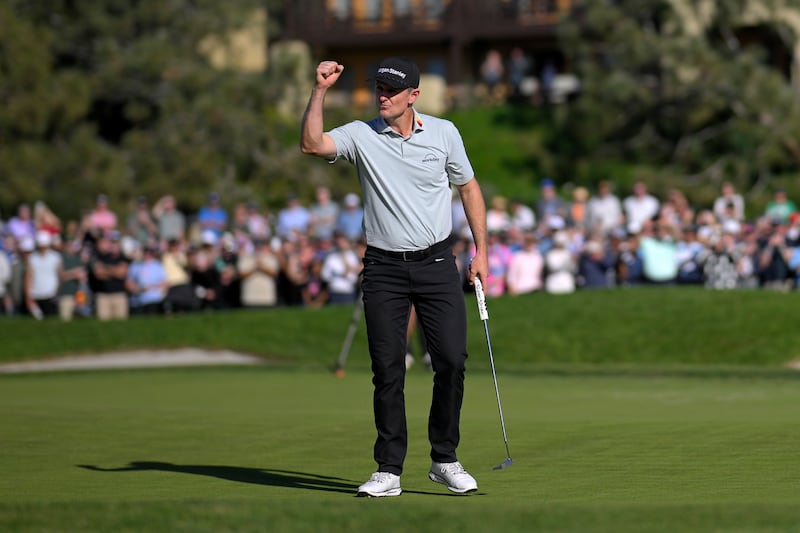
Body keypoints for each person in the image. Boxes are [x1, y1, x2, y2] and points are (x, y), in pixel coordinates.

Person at [300, 56, 488, 497]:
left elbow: (469, 187)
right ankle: (388, 468)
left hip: (439, 263)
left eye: (390, 89)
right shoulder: (361, 134)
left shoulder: (444, 133)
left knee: (451, 361)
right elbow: (312, 144)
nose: (381, 95)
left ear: (413, 96)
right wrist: (320, 91)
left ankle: (444, 458)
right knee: (387, 369)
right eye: (378, 88)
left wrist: (483, 251)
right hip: (384, 268)